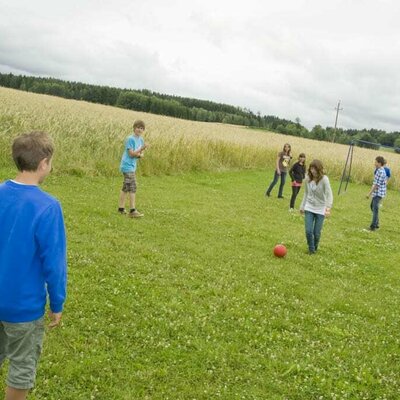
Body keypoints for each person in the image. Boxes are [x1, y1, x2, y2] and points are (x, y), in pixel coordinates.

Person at [0, 132, 67, 400]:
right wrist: (57, 302)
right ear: (43, 163)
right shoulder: (48, 207)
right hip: (24, 309)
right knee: (21, 368)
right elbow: (54, 263)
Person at [300, 159, 333, 254]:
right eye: (311, 168)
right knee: (308, 231)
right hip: (309, 207)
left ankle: (315, 246)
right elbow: (306, 193)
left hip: (321, 208)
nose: (312, 171)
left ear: (319, 169)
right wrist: (302, 206)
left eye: (315, 169)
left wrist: (328, 208)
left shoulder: (324, 179)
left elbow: (329, 194)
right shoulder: (307, 178)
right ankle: (311, 249)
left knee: (316, 233)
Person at [118, 120, 149, 218]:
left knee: (126, 187)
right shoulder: (130, 139)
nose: (139, 130)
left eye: (141, 128)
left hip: (132, 166)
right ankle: (132, 210)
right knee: (133, 186)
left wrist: (140, 154)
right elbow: (131, 154)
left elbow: (140, 154)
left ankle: (121, 209)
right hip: (126, 165)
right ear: (134, 128)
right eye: (138, 127)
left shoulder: (141, 140)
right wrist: (141, 149)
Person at [366, 156, 387, 231]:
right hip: (376, 193)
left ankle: (373, 227)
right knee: (373, 207)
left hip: (378, 193)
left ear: (379, 163)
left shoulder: (381, 172)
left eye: (376, 162)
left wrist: (369, 193)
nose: (374, 163)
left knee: (375, 209)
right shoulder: (378, 170)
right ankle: (377, 223)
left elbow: (376, 185)